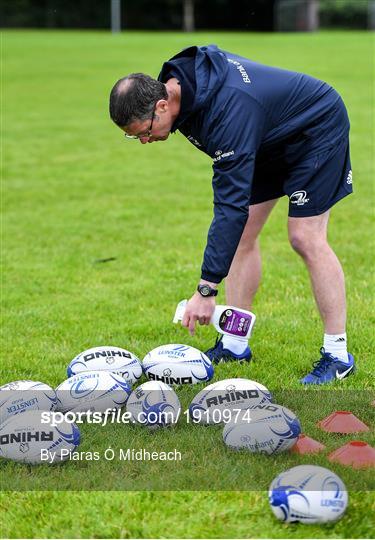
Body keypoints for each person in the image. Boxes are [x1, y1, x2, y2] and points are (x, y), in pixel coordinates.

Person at [109, 44, 356, 384]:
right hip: (265, 137)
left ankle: (337, 354)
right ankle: (235, 342)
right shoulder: (177, 86)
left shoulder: (228, 112)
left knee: (304, 237)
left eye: (144, 132)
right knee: (242, 238)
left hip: (315, 130)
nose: (144, 140)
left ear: (163, 104)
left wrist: (206, 290)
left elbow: (230, 207)